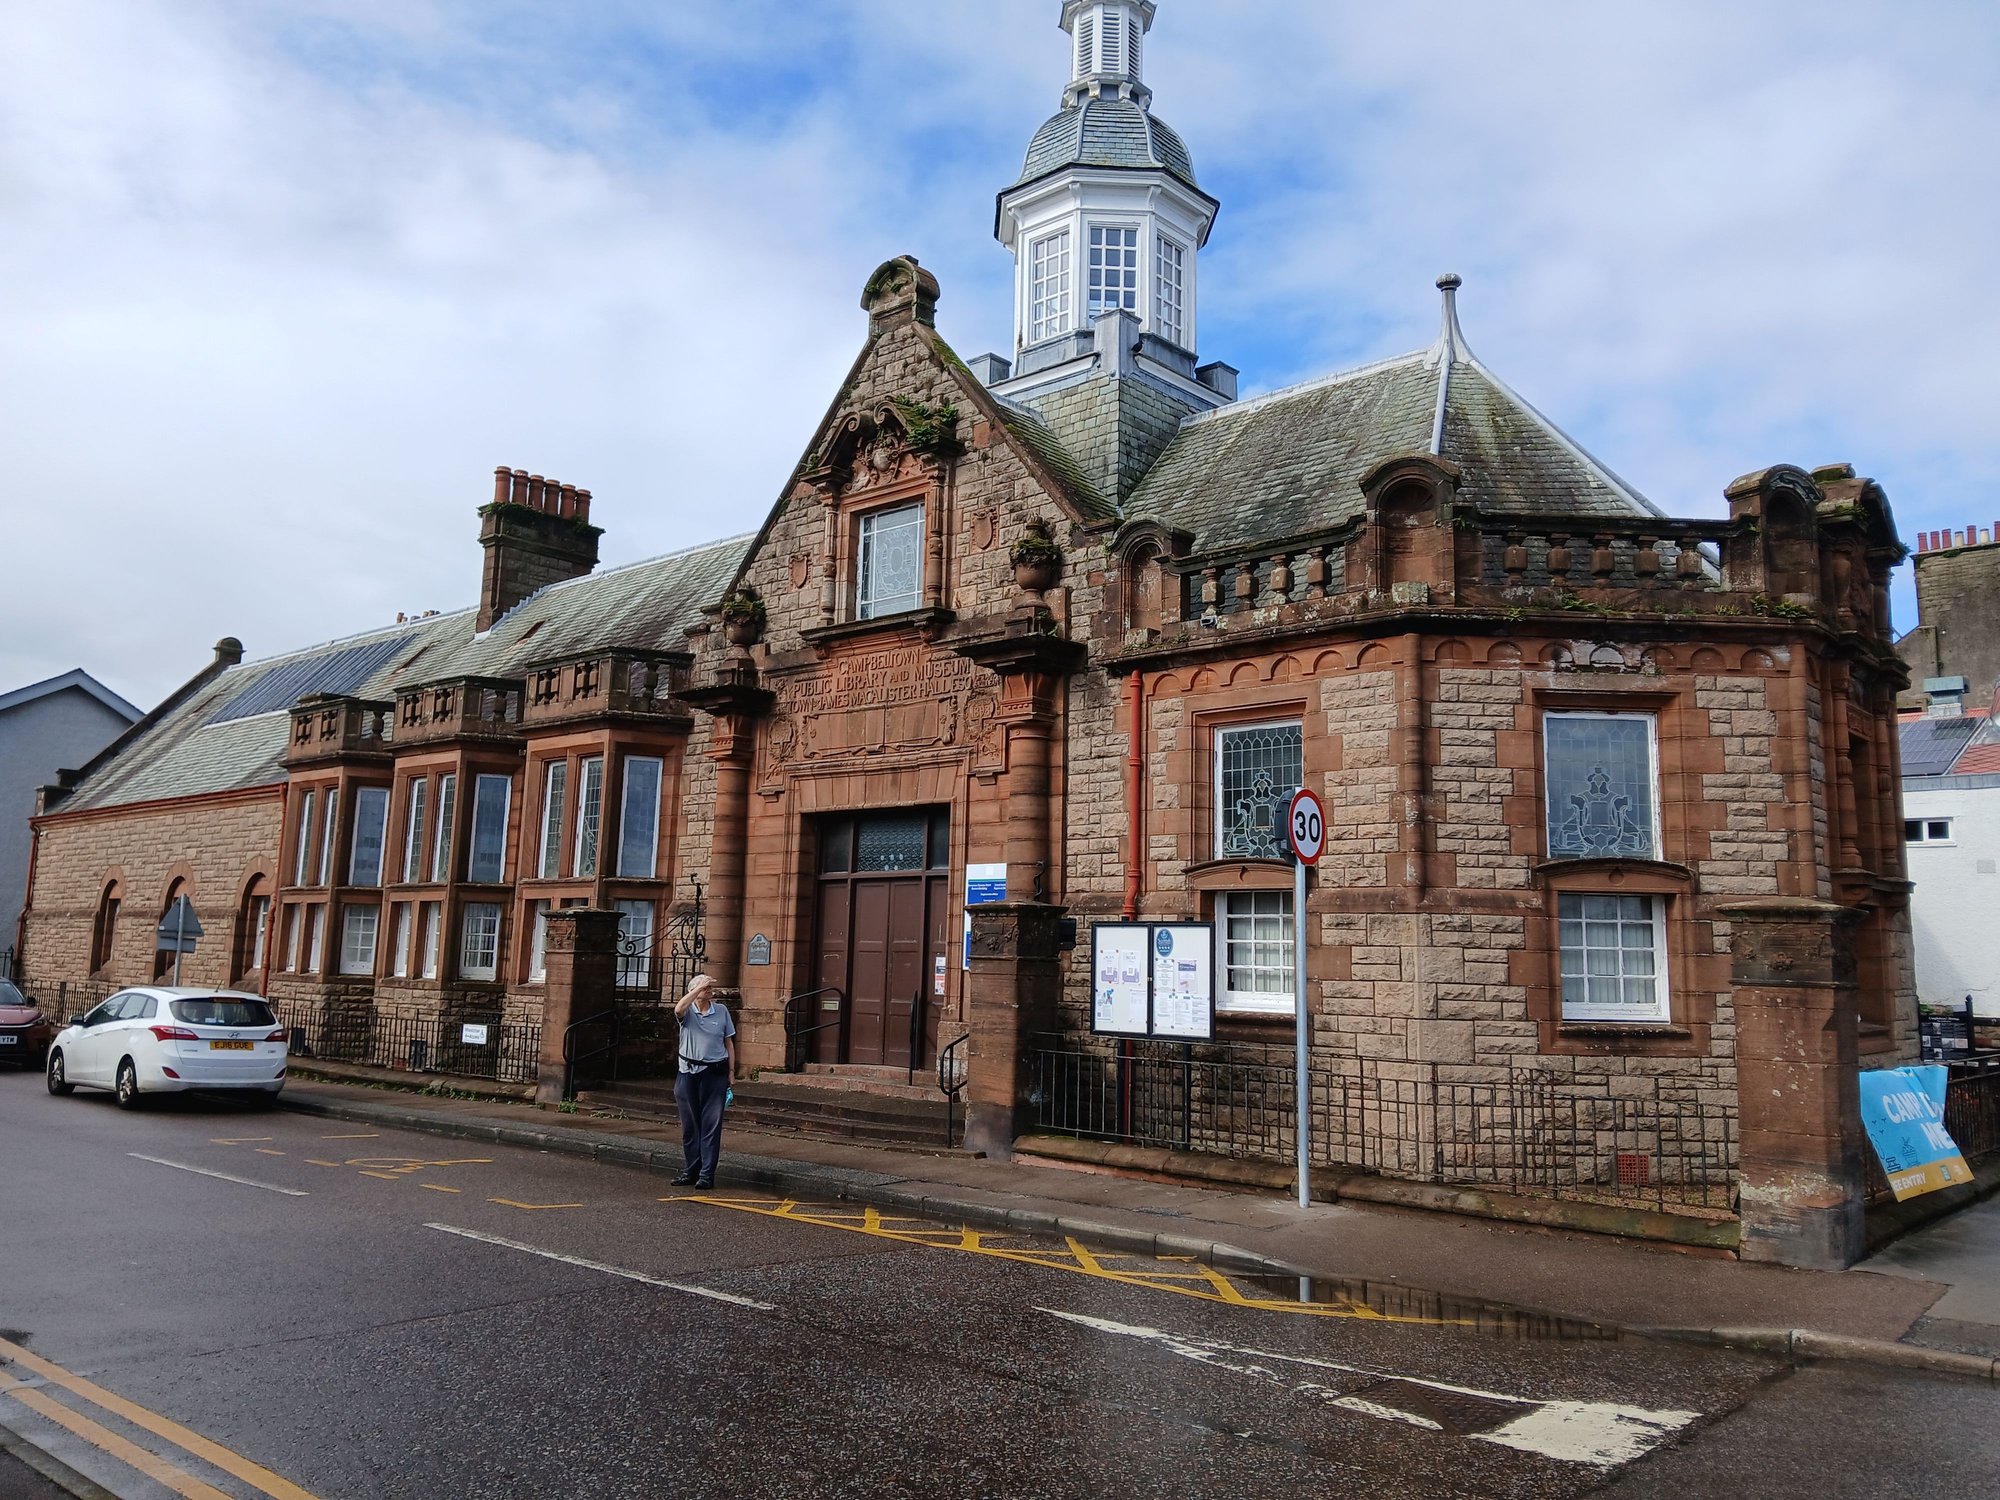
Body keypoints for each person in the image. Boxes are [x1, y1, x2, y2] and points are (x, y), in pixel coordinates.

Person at [671, 974, 737, 1188]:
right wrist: (697, 988)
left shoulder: (722, 1011)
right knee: (690, 1127)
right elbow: (678, 1009)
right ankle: (691, 1171)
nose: (710, 991)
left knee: (711, 1125)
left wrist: (731, 1072)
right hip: (688, 1073)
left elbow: (729, 1043)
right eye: (706, 988)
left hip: (715, 1074)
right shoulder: (688, 1012)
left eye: (710, 988)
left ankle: (706, 1175)